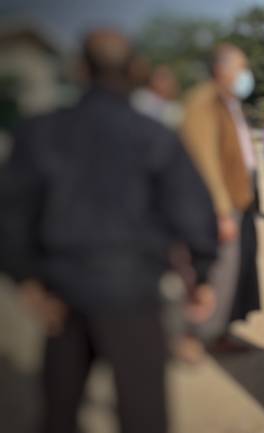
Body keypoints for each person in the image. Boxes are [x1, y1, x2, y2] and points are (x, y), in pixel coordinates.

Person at [0, 29, 218, 433]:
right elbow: (194, 214)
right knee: (143, 412)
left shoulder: (39, 132)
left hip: (61, 296)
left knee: (59, 412)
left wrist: (28, 281)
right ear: (136, 69)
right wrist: (201, 278)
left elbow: (11, 215)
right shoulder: (154, 135)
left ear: (79, 70)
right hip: (133, 295)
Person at [180, 43, 261, 350]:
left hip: (239, 199)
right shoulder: (203, 103)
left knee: (235, 271)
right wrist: (221, 211)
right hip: (221, 204)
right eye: (241, 68)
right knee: (214, 272)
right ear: (221, 70)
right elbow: (205, 161)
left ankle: (219, 332)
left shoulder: (229, 102)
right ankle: (195, 335)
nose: (246, 75)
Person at [131, 64, 183, 128]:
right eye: (158, 77)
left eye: (164, 78)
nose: (161, 82)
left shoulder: (177, 110)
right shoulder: (141, 97)